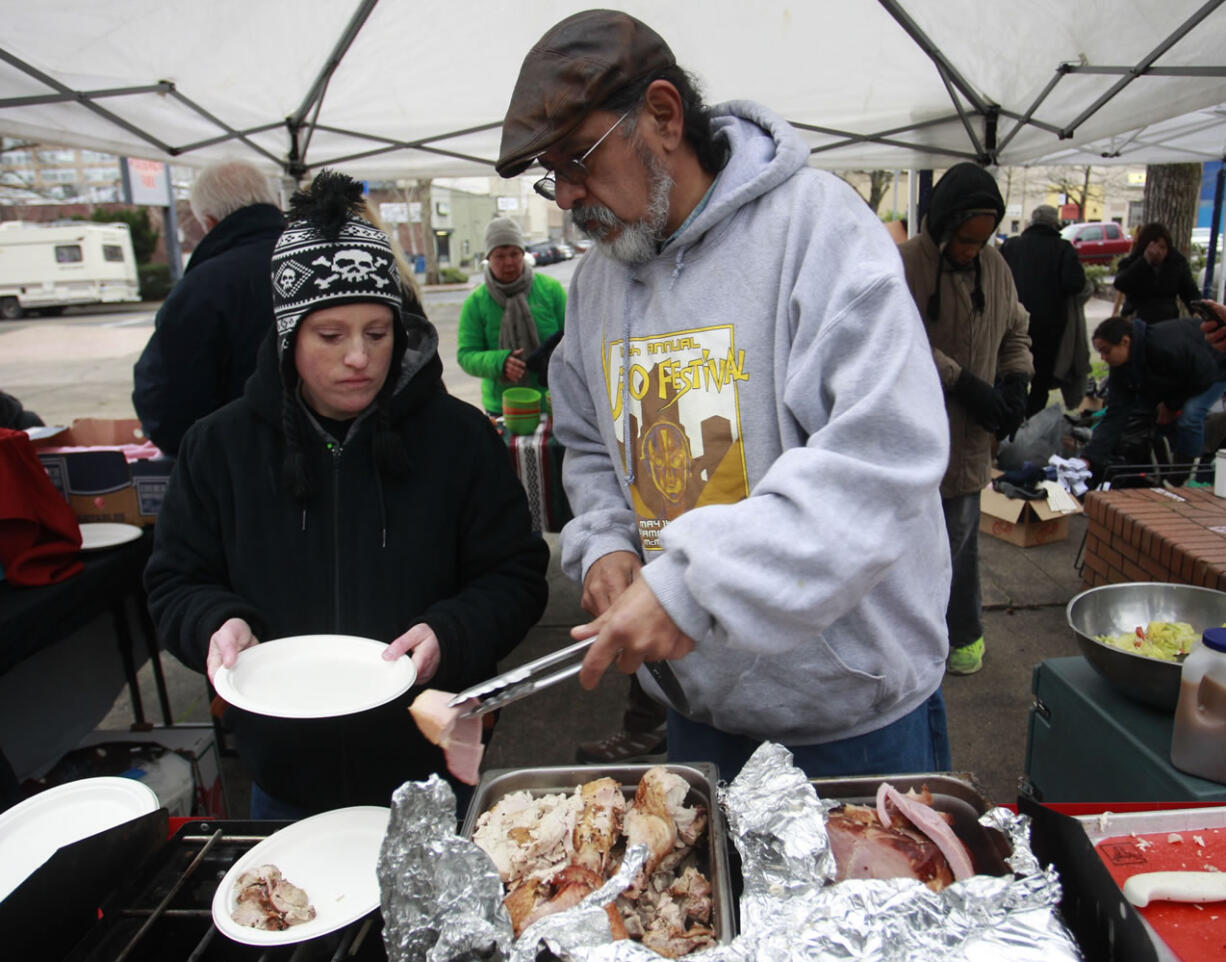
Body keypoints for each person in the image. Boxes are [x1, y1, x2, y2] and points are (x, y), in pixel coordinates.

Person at [495, 9, 953, 780]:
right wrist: (605, 541)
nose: (568, 196)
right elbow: (586, 441)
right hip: (698, 707)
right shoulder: (598, 284)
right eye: (554, 171)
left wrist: (688, 585)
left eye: (579, 158)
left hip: (845, 713)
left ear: (664, 117)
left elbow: (879, 458)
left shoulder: (818, 230)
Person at [144, 170, 549, 818]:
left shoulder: (459, 438)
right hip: (280, 776)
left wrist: (452, 629)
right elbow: (174, 581)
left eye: (378, 333)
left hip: (431, 772)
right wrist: (214, 623)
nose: (358, 357)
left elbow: (517, 573)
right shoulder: (219, 448)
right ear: (287, 337)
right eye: (330, 336)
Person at [898, 163, 1034, 676]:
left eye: (982, 241)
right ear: (942, 226)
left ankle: (964, 634)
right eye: (964, 240)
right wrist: (959, 380)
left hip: (970, 444)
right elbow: (892, 339)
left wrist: (1015, 380)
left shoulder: (996, 268)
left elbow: (1016, 329)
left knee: (961, 542)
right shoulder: (906, 264)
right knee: (912, 549)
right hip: (914, 438)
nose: (971, 251)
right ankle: (912, 643)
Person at [132, 160, 285, 456]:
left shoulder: (202, 287)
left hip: (237, 466)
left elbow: (168, 404)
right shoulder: (321, 263)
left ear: (210, 222)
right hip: (337, 461)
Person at [1078, 315, 1226, 485]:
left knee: (1190, 416)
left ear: (1125, 342)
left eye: (1106, 351)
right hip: (1187, 374)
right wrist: (1089, 457)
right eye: (1099, 352)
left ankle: (1185, 476)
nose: (1103, 358)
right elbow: (1116, 414)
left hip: (1216, 366)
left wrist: (1171, 405)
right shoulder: (1121, 368)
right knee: (1147, 416)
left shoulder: (1163, 346)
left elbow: (1203, 375)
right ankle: (1162, 467)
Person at [457, 217, 566, 416]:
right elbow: (466, 355)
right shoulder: (476, 302)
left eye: (514, 254)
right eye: (499, 256)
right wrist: (500, 363)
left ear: (523, 254)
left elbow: (575, 337)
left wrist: (552, 356)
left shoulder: (551, 290)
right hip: (502, 407)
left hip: (552, 402)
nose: (508, 262)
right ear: (488, 258)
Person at [1001, 205, 1086, 416]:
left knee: (1011, 373)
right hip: (1050, 327)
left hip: (1012, 323)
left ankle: (1010, 421)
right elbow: (1075, 284)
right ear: (1054, 224)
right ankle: (1031, 421)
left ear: (1031, 222)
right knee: (1040, 383)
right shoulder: (1063, 249)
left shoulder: (1011, 246)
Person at [1113, 221, 1201, 324]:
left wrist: (1197, 311)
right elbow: (1121, 283)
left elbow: (1190, 291)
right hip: (1137, 318)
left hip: (1166, 321)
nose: (1159, 252)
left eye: (1163, 248)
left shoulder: (1176, 263)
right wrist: (1144, 261)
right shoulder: (1133, 261)